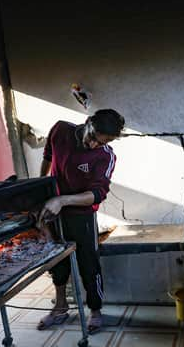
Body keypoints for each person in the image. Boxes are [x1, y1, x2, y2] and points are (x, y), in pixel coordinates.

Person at [37, 109, 125, 334]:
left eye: (102, 141)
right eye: (93, 137)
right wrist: (40, 190)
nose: (94, 144)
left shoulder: (105, 156)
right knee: (57, 260)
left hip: (82, 216)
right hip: (54, 211)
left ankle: (95, 311)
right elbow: (47, 157)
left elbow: (97, 194)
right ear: (88, 123)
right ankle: (60, 307)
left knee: (89, 264)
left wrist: (62, 200)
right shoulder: (60, 130)